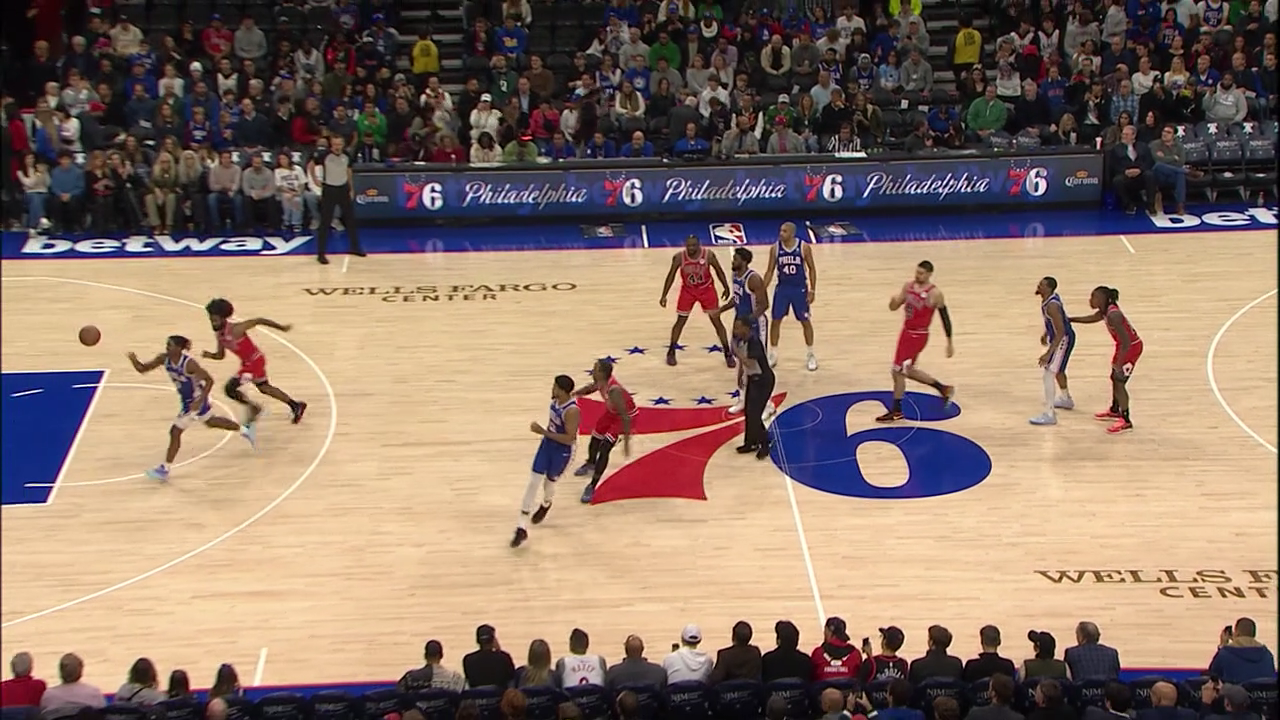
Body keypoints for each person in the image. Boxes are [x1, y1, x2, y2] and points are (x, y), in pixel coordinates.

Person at [127, 335, 254, 482]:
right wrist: (134, 360)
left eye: (170, 345)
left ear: (179, 348)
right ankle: (244, 430)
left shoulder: (189, 364)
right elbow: (143, 369)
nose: (167, 348)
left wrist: (200, 400)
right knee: (210, 421)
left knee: (175, 431)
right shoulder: (164, 358)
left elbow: (209, 380)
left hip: (195, 400)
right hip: (187, 400)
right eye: (167, 345)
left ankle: (164, 469)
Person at [202, 298, 308, 428]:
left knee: (230, 389)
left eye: (215, 320)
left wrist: (281, 328)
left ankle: (254, 408)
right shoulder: (219, 335)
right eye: (211, 320)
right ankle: (296, 405)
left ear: (224, 318)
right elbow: (220, 355)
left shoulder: (236, 329)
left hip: (254, 362)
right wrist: (210, 355)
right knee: (264, 388)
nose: (213, 323)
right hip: (250, 363)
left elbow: (259, 320)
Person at [876, 261, 956, 423]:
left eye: (921, 273)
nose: (917, 275)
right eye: (917, 272)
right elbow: (894, 306)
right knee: (908, 370)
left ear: (929, 274)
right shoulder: (908, 287)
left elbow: (945, 317)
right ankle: (943, 388)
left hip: (918, 335)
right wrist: (893, 301)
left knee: (897, 371)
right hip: (906, 332)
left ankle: (897, 411)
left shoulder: (935, 293)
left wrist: (949, 342)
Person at [512, 375, 579, 548]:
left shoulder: (572, 411)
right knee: (534, 481)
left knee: (549, 483)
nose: (552, 389)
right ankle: (521, 527)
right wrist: (545, 435)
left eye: (555, 387)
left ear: (562, 391)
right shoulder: (556, 401)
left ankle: (546, 503)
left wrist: (543, 432)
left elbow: (569, 439)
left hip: (563, 451)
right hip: (547, 446)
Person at [1069, 286, 1143, 434]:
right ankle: (1115, 409)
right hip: (1122, 347)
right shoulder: (1105, 311)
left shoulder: (1114, 315)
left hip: (1130, 348)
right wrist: (1072, 319)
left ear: (1102, 299)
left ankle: (1126, 420)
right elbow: (1092, 318)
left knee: (1119, 381)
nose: (1090, 300)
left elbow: (1126, 341)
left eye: (1094, 297)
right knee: (1114, 378)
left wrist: (1119, 362)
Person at [659, 234, 734, 368]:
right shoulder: (679, 257)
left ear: (699, 245)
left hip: (707, 289)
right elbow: (670, 276)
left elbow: (719, 271)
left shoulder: (708, 255)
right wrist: (664, 295)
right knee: (680, 321)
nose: (691, 248)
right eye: (688, 245)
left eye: (693, 245)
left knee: (717, 321)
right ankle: (671, 351)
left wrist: (726, 287)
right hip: (688, 291)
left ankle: (727, 352)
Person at [572, 359, 636, 504]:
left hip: (624, 418)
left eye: (595, 369)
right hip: (612, 413)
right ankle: (591, 463)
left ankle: (592, 486)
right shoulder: (601, 381)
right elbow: (591, 388)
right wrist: (574, 394)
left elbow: (625, 417)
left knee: (604, 448)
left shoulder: (614, 390)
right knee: (595, 437)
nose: (592, 371)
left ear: (601, 373)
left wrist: (626, 443)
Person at [720, 248, 771, 417]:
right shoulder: (735, 276)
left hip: (755, 325)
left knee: (758, 364)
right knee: (742, 361)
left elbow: (764, 304)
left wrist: (748, 322)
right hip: (740, 324)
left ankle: (767, 404)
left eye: (735, 259)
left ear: (744, 261)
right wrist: (721, 309)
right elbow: (736, 299)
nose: (733, 261)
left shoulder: (754, 279)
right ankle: (742, 398)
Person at [762, 222, 818, 371]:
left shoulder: (803, 247)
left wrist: (812, 290)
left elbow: (812, 269)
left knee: (805, 321)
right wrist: (762, 290)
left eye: (784, 231)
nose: (781, 233)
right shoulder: (775, 248)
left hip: (799, 289)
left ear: (792, 233)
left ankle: (810, 354)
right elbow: (769, 271)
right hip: (782, 289)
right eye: (780, 230)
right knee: (776, 321)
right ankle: (773, 354)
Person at [1030, 277, 1076, 425]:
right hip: (1061, 337)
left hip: (1062, 339)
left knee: (1048, 374)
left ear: (1049, 288)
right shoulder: (1049, 299)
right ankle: (1066, 399)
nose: (1038, 286)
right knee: (1058, 370)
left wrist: (1049, 353)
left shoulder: (1052, 306)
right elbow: (1055, 321)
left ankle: (1050, 414)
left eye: (1042, 285)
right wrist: (1046, 332)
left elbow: (1060, 331)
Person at [315, 134, 365, 264]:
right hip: (329, 189)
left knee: (350, 219)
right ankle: (321, 253)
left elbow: (349, 171)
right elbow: (311, 164)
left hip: (343, 188)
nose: (337, 147)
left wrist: (351, 188)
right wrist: (315, 179)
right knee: (325, 222)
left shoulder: (347, 155)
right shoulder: (324, 155)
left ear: (343, 144)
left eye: (339, 144)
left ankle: (355, 247)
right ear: (331, 145)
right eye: (335, 144)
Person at [732, 315, 776, 458]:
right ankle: (750, 442)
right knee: (749, 412)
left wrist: (736, 352)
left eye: (738, 327)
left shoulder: (755, 342)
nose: (735, 330)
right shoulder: (741, 340)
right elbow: (743, 362)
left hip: (764, 381)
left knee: (755, 414)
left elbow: (750, 360)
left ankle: (765, 443)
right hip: (752, 378)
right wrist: (740, 374)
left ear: (746, 328)